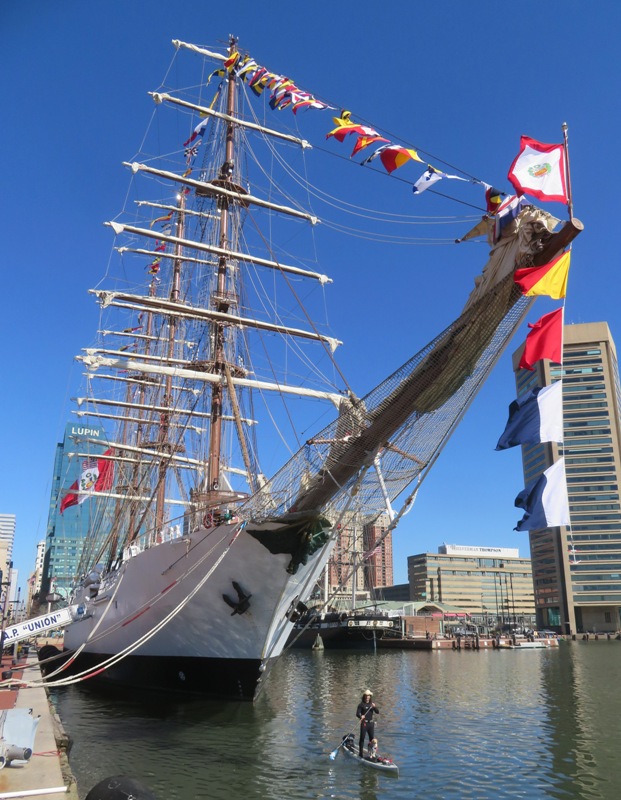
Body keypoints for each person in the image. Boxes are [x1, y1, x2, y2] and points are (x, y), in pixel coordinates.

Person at [356, 689, 379, 758]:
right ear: (364, 696)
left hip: (371, 724)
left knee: (372, 740)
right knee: (362, 738)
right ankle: (360, 753)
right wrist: (361, 716)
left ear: (370, 696)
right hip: (364, 724)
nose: (367, 697)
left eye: (368, 696)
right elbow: (357, 714)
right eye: (366, 696)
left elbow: (377, 712)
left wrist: (375, 707)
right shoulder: (361, 704)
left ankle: (372, 753)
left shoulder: (372, 704)